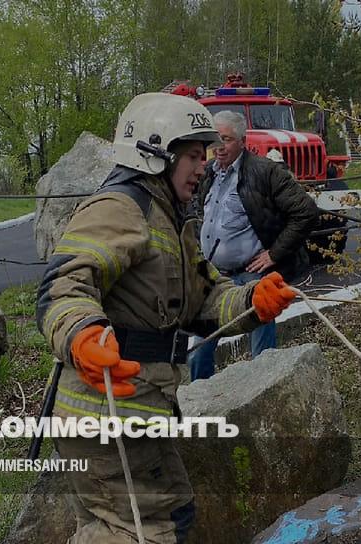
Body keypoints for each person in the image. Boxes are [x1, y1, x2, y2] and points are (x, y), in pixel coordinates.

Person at [35, 93, 296, 543]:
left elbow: (204, 301)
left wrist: (255, 300)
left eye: (205, 155)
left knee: (165, 514)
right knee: (147, 531)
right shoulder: (119, 207)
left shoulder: (167, 218)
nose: (204, 167)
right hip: (105, 413)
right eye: (193, 155)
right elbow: (64, 284)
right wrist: (82, 335)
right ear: (155, 153)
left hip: (135, 408)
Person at [188, 111, 318, 381]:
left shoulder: (265, 172)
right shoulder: (207, 173)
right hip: (214, 276)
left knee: (262, 353)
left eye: (226, 139)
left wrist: (275, 253)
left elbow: (305, 212)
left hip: (252, 276)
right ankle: (199, 398)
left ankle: (265, 392)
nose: (219, 147)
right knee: (199, 350)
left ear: (242, 141)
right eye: (215, 140)